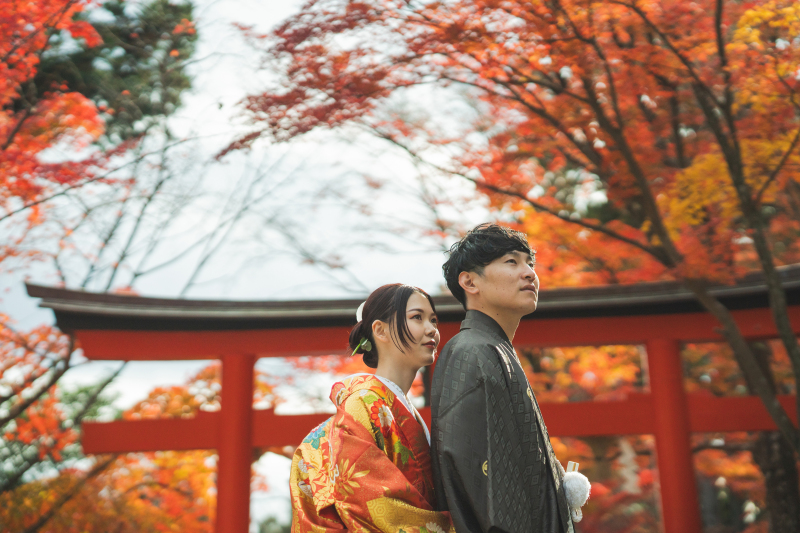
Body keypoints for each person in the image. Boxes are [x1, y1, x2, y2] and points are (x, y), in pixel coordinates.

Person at [430, 224, 574, 533]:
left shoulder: (490, 349)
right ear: (469, 281)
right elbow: (487, 481)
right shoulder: (473, 352)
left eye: (529, 263)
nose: (529, 273)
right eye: (512, 262)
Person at [290, 283, 454, 533]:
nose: (432, 329)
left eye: (434, 320)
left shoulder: (399, 407)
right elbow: (368, 503)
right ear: (380, 330)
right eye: (417, 318)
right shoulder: (364, 403)